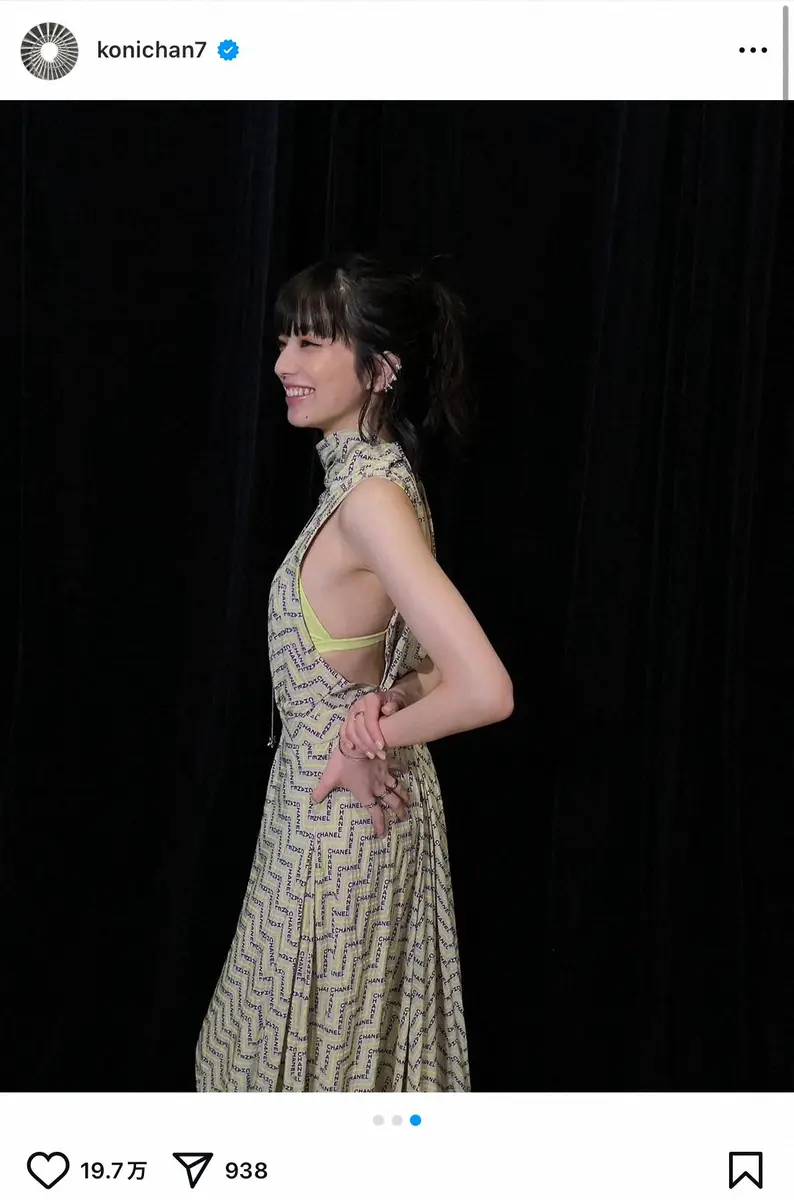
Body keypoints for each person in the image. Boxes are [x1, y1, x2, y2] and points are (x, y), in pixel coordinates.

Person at [195, 251, 513, 1092]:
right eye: (283, 342)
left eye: (309, 343)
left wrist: (366, 741)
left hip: (343, 832)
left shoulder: (374, 500)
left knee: (309, 1082)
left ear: (380, 369)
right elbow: (423, 664)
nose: (282, 364)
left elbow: (485, 688)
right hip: (326, 815)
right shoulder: (372, 485)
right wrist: (388, 706)